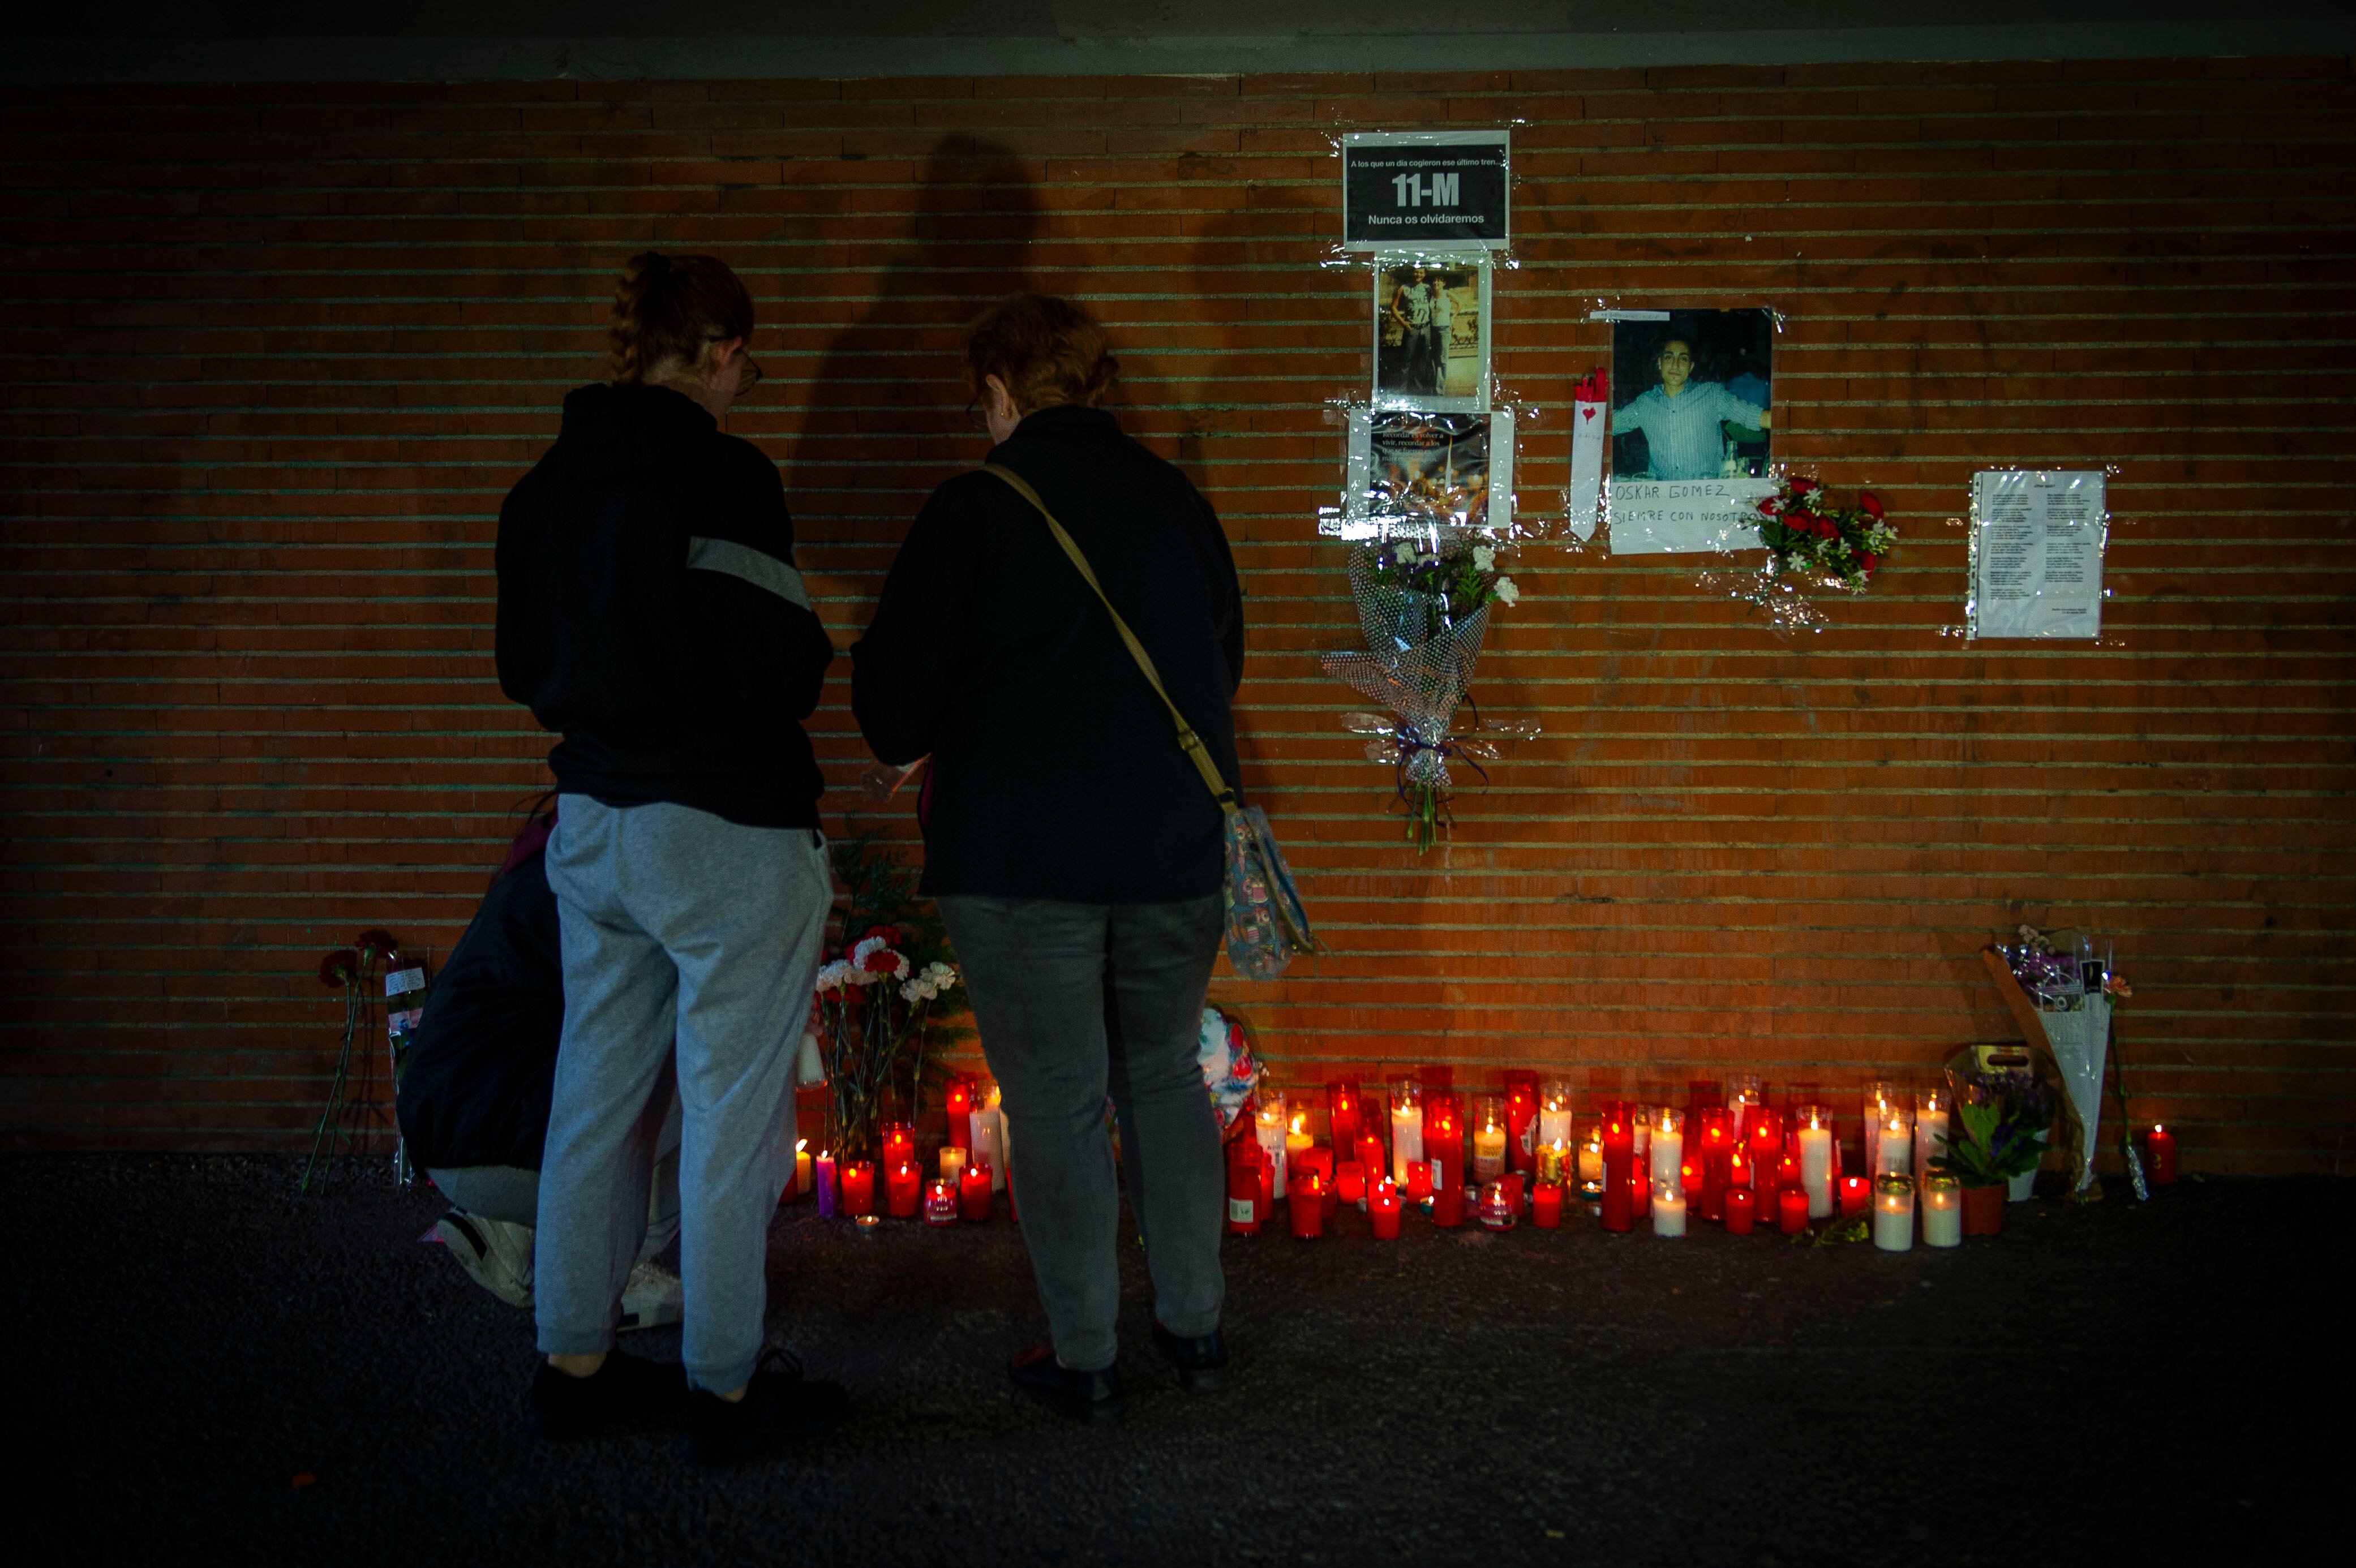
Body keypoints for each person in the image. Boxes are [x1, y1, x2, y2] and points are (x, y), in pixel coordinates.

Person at [851, 293, 1243, 1424]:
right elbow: (1217, 661)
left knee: (1061, 1096)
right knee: (1163, 1074)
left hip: (1020, 860)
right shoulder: (1178, 503)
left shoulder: (971, 507)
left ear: (1001, 393)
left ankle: (1085, 1353)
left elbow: (891, 710)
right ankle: (1194, 1325)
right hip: (1174, 847)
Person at [495, 250, 845, 1464]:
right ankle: (723, 1383)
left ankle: (572, 1358)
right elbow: (780, 660)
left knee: (593, 1097)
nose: (746, 380)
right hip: (724, 829)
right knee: (729, 1115)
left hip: (593, 821)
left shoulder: (541, 488)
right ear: (713, 352)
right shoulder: (724, 472)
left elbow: (520, 664)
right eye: (744, 359)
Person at [394, 804, 684, 1332]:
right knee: (702, 1070)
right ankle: (616, 1270)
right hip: (498, 1133)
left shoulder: (540, 868)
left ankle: (506, 1230)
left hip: (438, 1126)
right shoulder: (610, 881)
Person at [1612, 336, 1773, 480]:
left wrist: (1789, 421)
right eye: (1669, 357)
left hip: (1707, 493)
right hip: (1663, 496)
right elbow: (1612, 425)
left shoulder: (1712, 395)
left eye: (1683, 359)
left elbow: (1751, 415)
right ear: (1660, 364)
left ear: (1691, 367)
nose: (1675, 365)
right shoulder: (1645, 403)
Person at [1388, 267, 1435, 394]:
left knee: (1423, 360)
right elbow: (1393, 308)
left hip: (1425, 328)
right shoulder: (1404, 288)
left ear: (1425, 274)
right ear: (1412, 273)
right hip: (1412, 328)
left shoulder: (1428, 289)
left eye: (1421, 272)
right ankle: (1402, 390)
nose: (1418, 274)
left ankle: (1419, 390)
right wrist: (1403, 323)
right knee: (1406, 360)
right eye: (1416, 272)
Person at [1426, 270, 1456, 395]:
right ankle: (1433, 386)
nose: (1436, 283)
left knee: (1443, 360)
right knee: (1433, 358)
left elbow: (1460, 304)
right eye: (1435, 281)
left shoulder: (1447, 294)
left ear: (1444, 283)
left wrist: (1453, 318)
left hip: (1444, 330)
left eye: (1439, 281)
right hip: (1432, 329)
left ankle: (1440, 390)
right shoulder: (1431, 295)